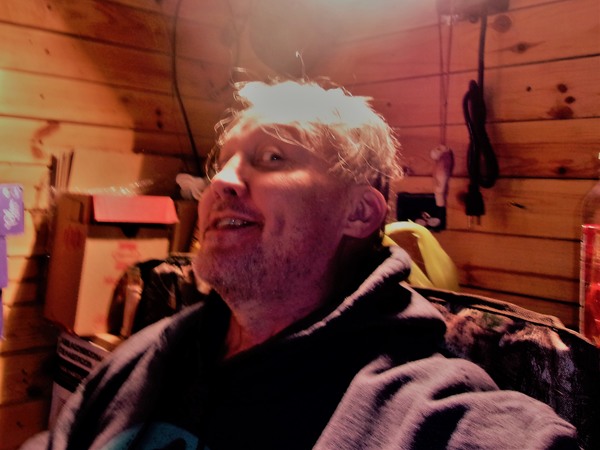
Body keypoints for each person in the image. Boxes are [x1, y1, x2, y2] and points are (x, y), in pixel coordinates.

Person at [23, 80, 578, 450]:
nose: (221, 182)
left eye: (272, 157)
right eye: (223, 163)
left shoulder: (427, 413)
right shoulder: (149, 355)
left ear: (358, 212)